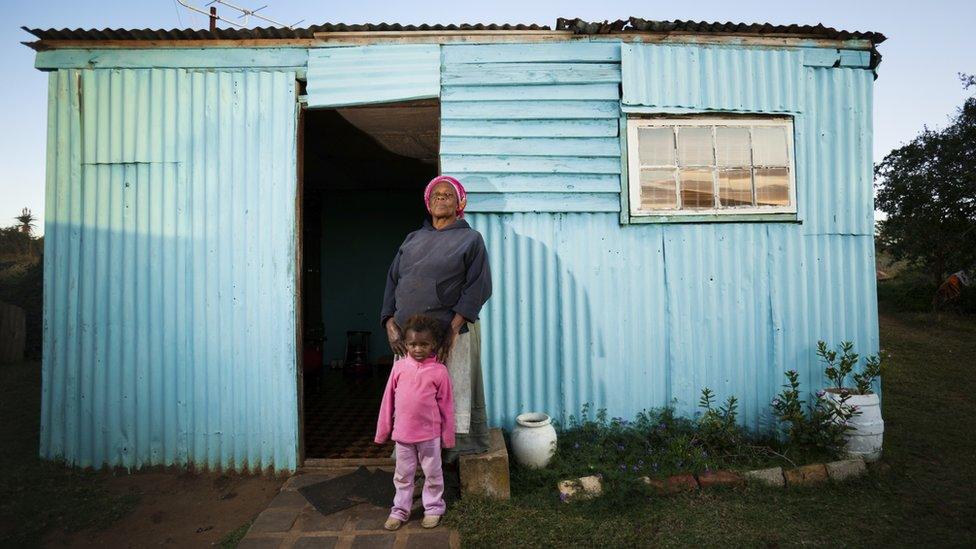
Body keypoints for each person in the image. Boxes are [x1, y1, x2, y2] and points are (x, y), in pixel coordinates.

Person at [380, 175, 492, 462]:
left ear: (460, 204)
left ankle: (454, 453)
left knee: (453, 390)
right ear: (428, 204)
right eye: (435, 195)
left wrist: (452, 330)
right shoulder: (413, 239)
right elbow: (393, 281)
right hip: (410, 338)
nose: (441, 198)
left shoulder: (470, 239)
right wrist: (390, 323)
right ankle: (411, 450)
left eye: (448, 195)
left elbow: (478, 286)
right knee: (412, 396)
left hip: (448, 334)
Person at [374, 315, 455, 531]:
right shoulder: (399, 368)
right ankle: (399, 510)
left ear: (434, 345)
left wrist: (447, 437)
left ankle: (433, 508)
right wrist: (383, 432)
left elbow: (447, 407)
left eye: (423, 344)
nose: (417, 349)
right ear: (405, 344)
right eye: (412, 344)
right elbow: (387, 401)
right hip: (403, 436)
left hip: (430, 436)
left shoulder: (439, 372)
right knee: (402, 476)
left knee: (433, 474)